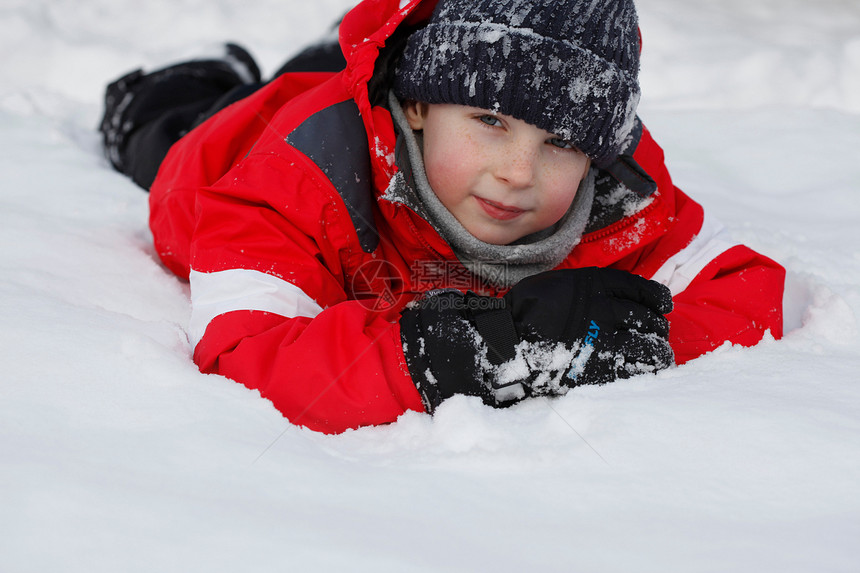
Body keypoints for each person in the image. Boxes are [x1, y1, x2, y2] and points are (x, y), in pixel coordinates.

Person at [99, 0, 785, 434]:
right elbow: (246, 356)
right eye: (491, 121)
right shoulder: (306, 172)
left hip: (401, 85)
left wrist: (611, 334)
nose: (519, 172)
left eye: (561, 141)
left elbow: (749, 289)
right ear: (420, 105)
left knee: (334, 61)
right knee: (176, 123)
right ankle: (195, 76)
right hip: (228, 141)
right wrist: (479, 350)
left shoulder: (619, 199)